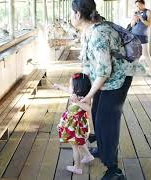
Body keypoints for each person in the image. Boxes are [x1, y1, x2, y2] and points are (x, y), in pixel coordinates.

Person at [70, 0, 145, 179]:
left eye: (72, 13)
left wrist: (88, 96)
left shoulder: (99, 33)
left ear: (78, 15)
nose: (71, 17)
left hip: (117, 79)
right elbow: (88, 63)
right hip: (104, 79)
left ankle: (114, 170)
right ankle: (103, 148)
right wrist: (80, 89)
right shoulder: (87, 31)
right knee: (96, 114)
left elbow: (105, 71)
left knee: (107, 121)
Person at [55, 73, 95, 175]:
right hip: (74, 124)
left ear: (78, 87)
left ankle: (77, 167)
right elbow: (69, 91)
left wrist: (77, 101)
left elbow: (88, 108)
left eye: (71, 85)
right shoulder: (75, 93)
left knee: (75, 146)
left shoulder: (85, 98)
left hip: (76, 127)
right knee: (80, 143)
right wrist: (59, 86)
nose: (69, 87)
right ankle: (88, 156)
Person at [131, 0, 151, 75]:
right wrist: (135, 20)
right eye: (137, 6)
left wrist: (142, 19)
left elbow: (148, 24)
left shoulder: (148, 12)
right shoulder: (135, 12)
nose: (138, 7)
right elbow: (132, 25)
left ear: (143, 4)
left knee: (145, 54)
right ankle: (135, 70)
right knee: (135, 53)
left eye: (139, 5)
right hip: (134, 34)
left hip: (143, 35)